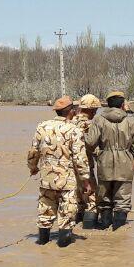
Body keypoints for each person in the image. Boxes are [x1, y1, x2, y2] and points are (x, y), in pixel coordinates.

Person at [28, 95, 90, 247]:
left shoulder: (41, 127)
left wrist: (33, 168)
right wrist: (86, 181)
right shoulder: (74, 130)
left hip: (46, 179)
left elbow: (33, 152)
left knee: (45, 214)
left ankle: (42, 245)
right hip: (66, 182)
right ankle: (63, 251)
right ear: (71, 112)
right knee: (67, 216)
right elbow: (80, 159)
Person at [84, 90, 134, 229]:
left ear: (108, 105)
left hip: (104, 163)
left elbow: (91, 142)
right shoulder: (131, 121)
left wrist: (99, 154)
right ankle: (118, 233)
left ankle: (105, 227)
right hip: (125, 164)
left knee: (104, 199)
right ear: (123, 105)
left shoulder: (99, 120)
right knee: (122, 200)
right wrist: (129, 157)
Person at [73, 93, 101, 227]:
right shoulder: (90, 124)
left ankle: (76, 221)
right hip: (85, 166)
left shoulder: (69, 121)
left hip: (69, 168)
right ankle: (89, 228)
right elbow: (93, 146)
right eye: (95, 110)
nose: (96, 112)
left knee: (77, 197)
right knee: (91, 198)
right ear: (92, 109)